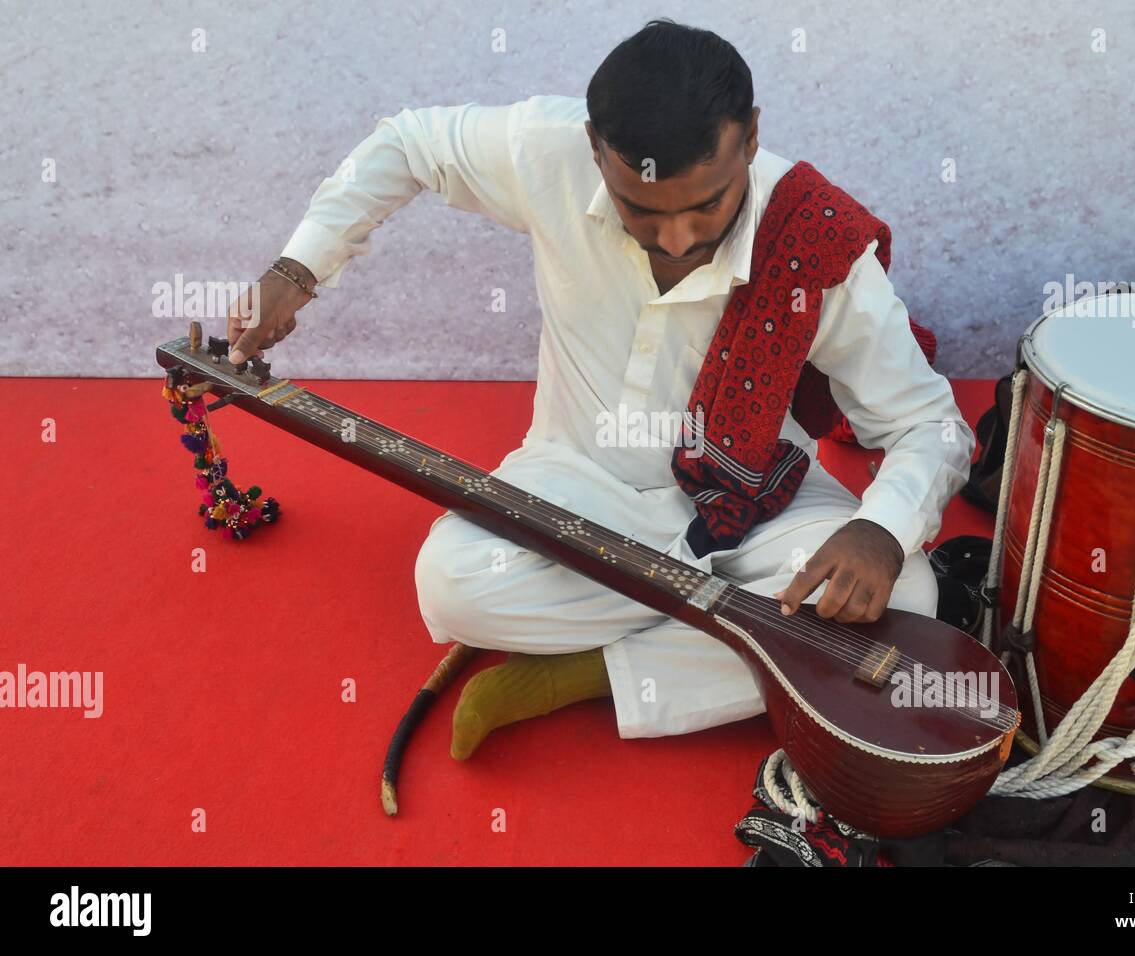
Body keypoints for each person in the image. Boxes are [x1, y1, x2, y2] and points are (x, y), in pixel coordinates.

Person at [227, 19, 976, 759]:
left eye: (707, 207)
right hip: (576, 483)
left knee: (908, 591)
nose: (677, 239)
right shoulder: (548, 152)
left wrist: (878, 533)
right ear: (595, 150)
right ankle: (742, 641)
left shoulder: (812, 235)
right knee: (451, 585)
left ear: (749, 139)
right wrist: (298, 271)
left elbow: (930, 424)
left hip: (755, 500)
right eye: (643, 210)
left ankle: (582, 676)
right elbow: (409, 143)